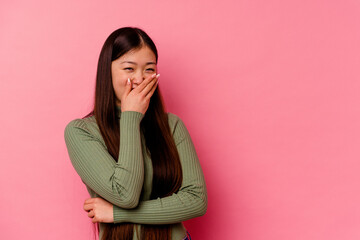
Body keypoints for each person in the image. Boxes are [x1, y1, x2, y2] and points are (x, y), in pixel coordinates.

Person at [64, 27, 207, 240]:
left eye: (149, 69)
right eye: (129, 69)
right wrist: (131, 117)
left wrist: (115, 214)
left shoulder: (172, 125)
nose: (140, 79)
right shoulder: (81, 132)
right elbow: (125, 195)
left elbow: (196, 200)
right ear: (107, 71)